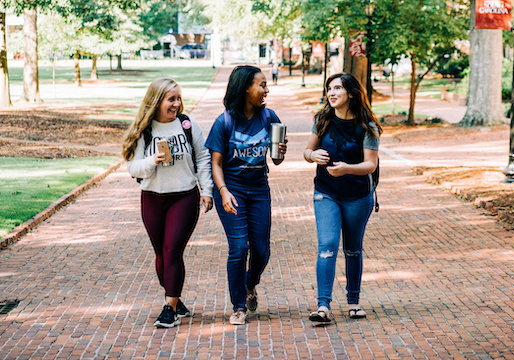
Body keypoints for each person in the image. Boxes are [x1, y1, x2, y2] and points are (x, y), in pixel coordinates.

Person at [122, 78, 213, 328]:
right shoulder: (145, 130)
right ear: (156, 101)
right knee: (161, 254)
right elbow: (133, 166)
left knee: (173, 250)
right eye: (171, 99)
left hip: (184, 196)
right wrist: (152, 160)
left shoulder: (187, 124)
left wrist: (207, 191)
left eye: (178, 98)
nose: (176, 104)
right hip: (152, 198)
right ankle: (175, 297)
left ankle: (169, 308)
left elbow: (203, 157)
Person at [205, 65, 288, 325]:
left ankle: (251, 285)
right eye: (261, 84)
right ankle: (238, 306)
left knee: (261, 251)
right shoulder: (225, 121)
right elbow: (215, 164)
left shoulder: (270, 117)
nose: (266, 89)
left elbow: (275, 160)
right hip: (232, 191)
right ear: (245, 89)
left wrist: (281, 151)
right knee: (239, 248)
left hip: (259, 190)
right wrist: (223, 191)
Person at [303, 73, 381, 323]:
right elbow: (307, 150)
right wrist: (312, 156)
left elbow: (370, 164)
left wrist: (347, 168)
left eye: (337, 88)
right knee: (327, 247)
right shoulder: (323, 120)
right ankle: (323, 305)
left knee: (352, 250)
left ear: (351, 93)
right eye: (329, 88)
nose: (331, 93)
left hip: (358, 196)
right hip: (326, 192)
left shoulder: (366, 125)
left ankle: (354, 301)